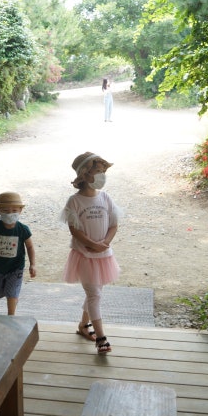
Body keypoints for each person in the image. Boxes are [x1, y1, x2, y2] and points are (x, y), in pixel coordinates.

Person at [61, 152, 120, 354]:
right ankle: (101, 338)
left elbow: (114, 224)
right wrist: (91, 244)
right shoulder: (74, 201)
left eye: (104, 172)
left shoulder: (106, 197)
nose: (102, 175)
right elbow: (74, 229)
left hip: (104, 256)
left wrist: (104, 242)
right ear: (85, 174)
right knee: (94, 294)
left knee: (96, 293)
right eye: (98, 171)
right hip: (84, 256)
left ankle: (84, 326)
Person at [0, 192, 36, 315]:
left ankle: (11, 315)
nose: (10, 214)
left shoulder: (23, 229)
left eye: (14, 210)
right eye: (5, 210)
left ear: (20, 210)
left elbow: (30, 247)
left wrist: (32, 264)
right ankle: (14, 299)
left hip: (16, 268)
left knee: (11, 292)